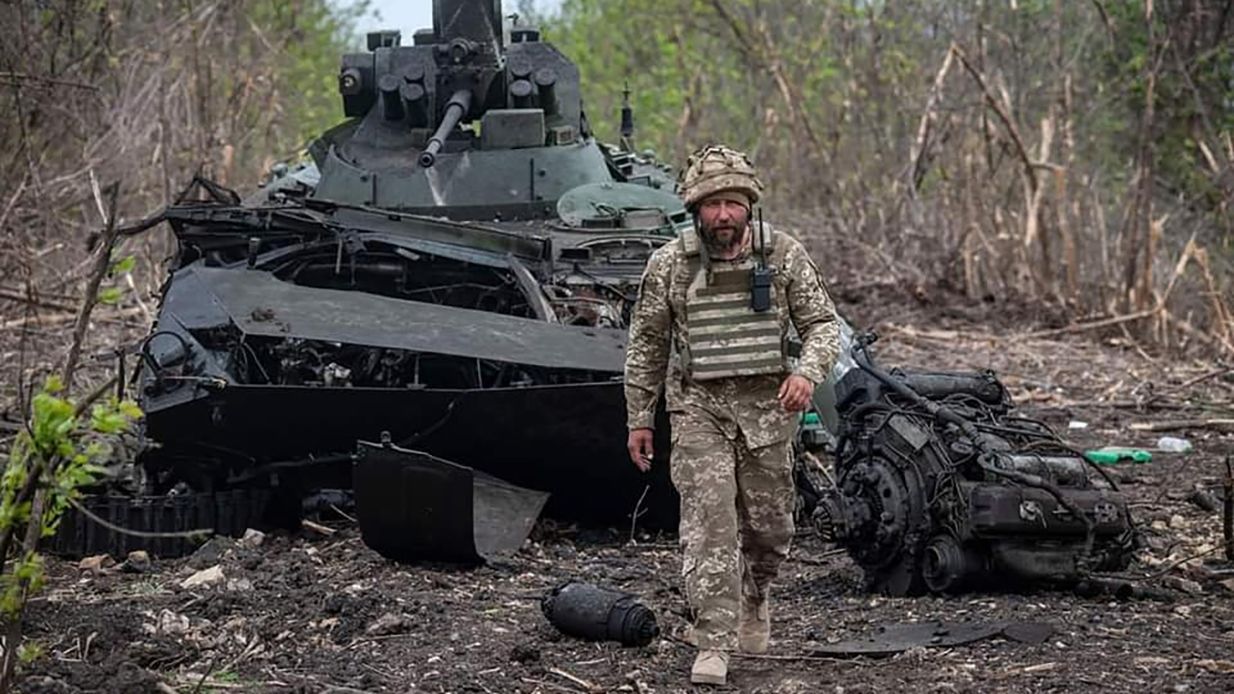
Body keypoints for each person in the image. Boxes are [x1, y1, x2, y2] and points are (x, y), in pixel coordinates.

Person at [623, 144, 839, 686]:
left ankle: (756, 594)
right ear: (696, 209)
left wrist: (806, 373)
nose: (723, 214)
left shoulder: (783, 255)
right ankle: (713, 641)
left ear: (749, 205)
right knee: (709, 526)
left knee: (770, 530)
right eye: (712, 204)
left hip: (769, 411)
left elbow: (823, 325)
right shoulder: (669, 265)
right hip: (699, 408)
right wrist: (640, 417)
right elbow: (646, 346)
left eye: (732, 203)